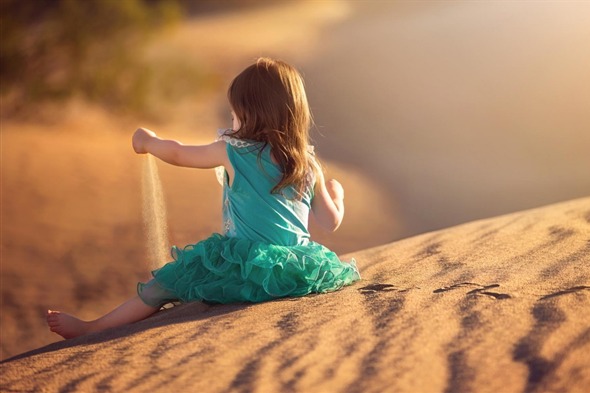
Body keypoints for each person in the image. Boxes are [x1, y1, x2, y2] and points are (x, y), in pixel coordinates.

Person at [46, 58, 360, 339]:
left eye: (236, 114)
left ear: (251, 114)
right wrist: (337, 195)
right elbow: (330, 222)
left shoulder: (232, 152)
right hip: (296, 270)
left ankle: (92, 329)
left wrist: (149, 142)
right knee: (175, 280)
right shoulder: (307, 163)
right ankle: (92, 328)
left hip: (244, 266)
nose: (233, 121)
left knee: (165, 285)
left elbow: (179, 153)